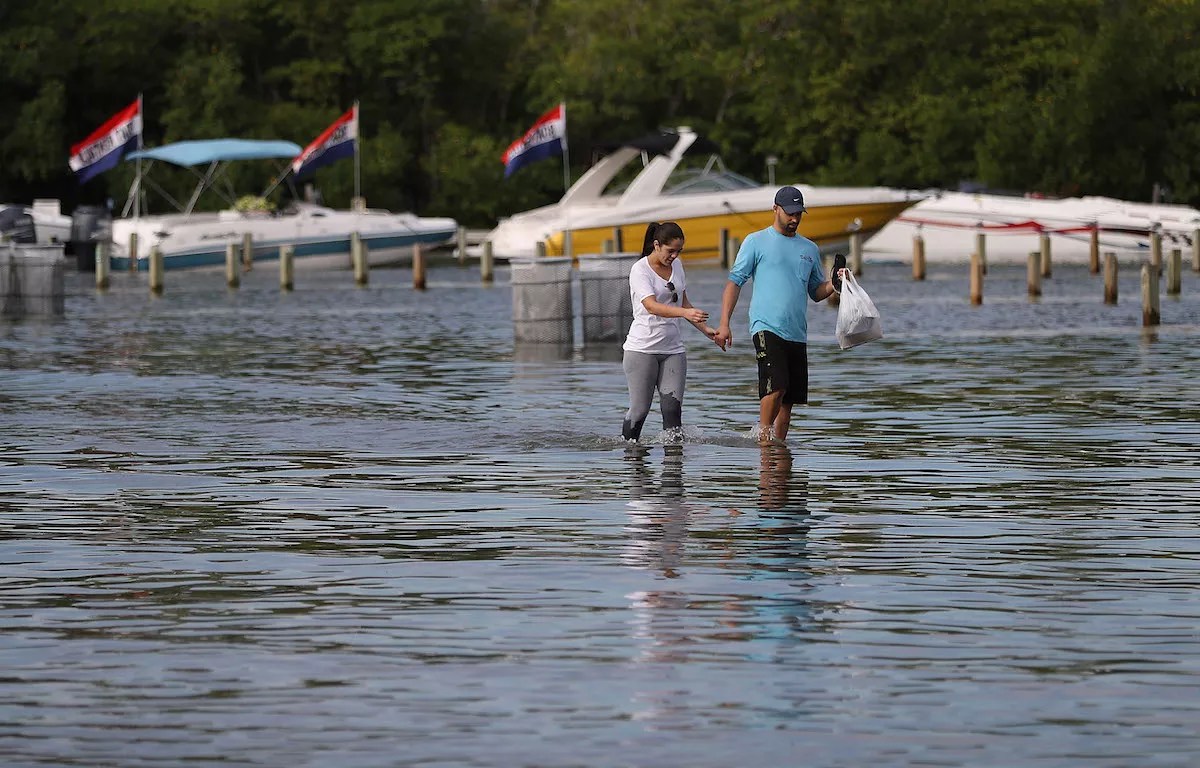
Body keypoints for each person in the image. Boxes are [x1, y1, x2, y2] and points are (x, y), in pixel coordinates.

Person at [713, 186, 847, 443]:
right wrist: (724, 324)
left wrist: (835, 283)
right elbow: (734, 282)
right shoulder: (755, 241)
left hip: (797, 331)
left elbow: (816, 293)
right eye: (790, 213)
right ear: (775, 209)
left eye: (799, 213)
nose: (795, 219)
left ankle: (779, 452)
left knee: (788, 402)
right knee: (777, 387)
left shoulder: (809, 248)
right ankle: (763, 441)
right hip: (766, 326)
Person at [621, 221, 724, 441]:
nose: (674, 256)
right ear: (656, 245)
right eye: (670, 251)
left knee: (672, 412)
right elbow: (651, 306)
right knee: (639, 411)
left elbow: (684, 303)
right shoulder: (640, 269)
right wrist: (685, 314)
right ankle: (630, 457)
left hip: (673, 349)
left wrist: (705, 330)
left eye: (679, 251)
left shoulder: (677, 266)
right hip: (642, 350)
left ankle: (673, 469)